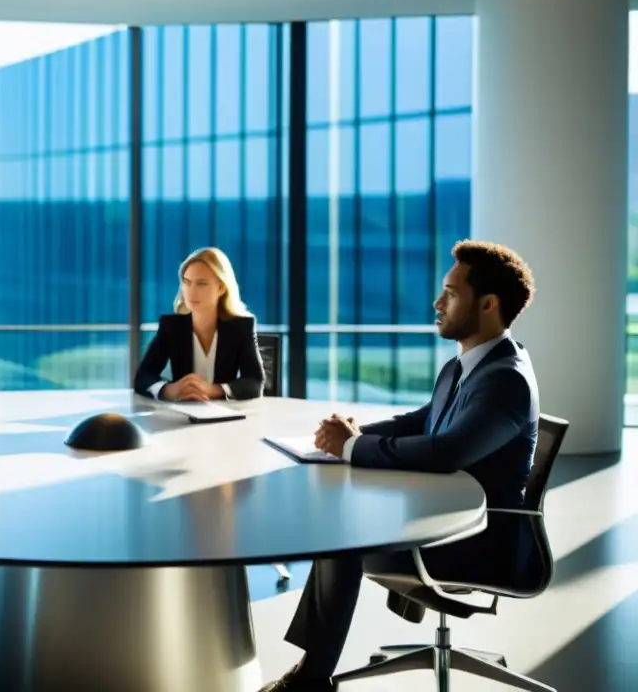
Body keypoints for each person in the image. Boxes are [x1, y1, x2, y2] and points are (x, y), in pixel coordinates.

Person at [259, 240, 538, 692]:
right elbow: (421, 421)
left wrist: (351, 448)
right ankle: (312, 671)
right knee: (342, 515)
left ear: (488, 304)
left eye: (450, 292)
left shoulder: (506, 379)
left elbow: (447, 451)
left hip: (481, 540)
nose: (436, 302)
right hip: (442, 516)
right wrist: (355, 433)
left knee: (341, 533)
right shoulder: (468, 365)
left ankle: (311, 678)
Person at [134, 247, 265, 401]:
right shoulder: (171, 327)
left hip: (226, 413)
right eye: (187, 282)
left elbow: (254, 381)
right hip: (181, 414)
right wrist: (168, 390)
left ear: (221, 288)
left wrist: (214, 390)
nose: (191, 291)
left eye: (201, 284)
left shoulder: (241, 327)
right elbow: (143, 376)